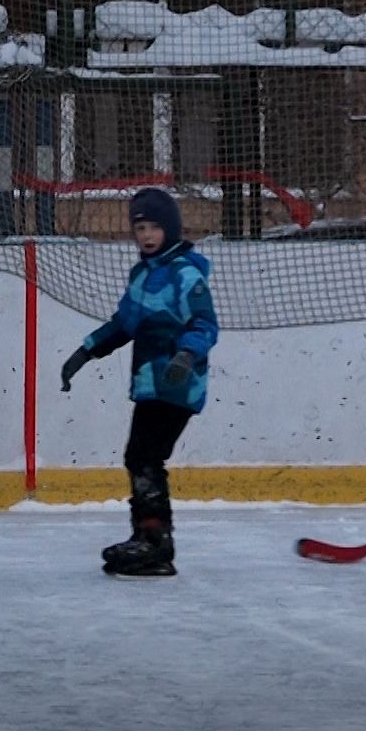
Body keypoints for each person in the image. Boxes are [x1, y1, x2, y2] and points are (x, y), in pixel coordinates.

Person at [59, 188, 218, 578]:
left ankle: (154, 543)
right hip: (150, 382)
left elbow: (204, 324)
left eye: (154, 227)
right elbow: (124, 323)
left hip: (179, 382)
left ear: (171, 229)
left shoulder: (185, 273)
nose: (146, 235)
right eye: (140, 227)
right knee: (141, 457)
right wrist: (85, 352)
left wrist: (185, 355)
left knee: (145, 456)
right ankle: (149, 539)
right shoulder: (142, 275)